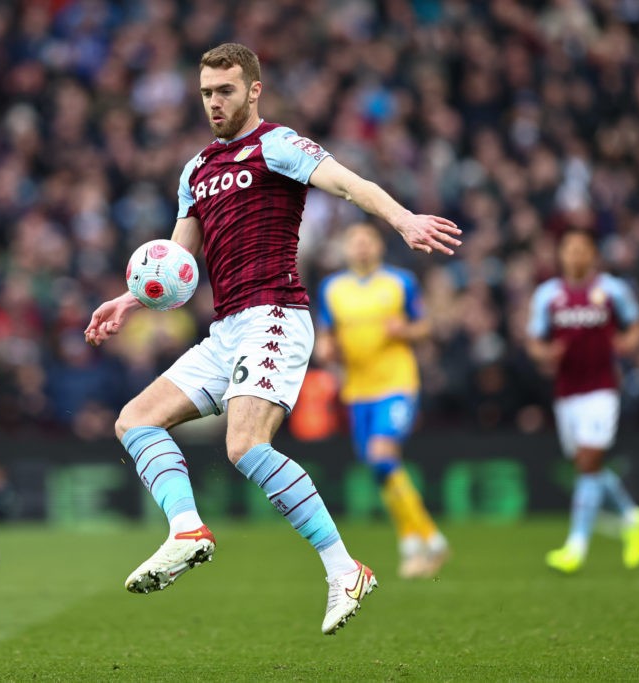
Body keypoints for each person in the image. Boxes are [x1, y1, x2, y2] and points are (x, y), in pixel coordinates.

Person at [85, 43, 460, 635]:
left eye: (226, 90)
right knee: (134, 420)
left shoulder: (279, 145)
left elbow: (347, 182)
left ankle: (344, 568)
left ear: (253, 89)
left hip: (276, 313)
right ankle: (186, 529)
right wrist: (131, 299)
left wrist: (403, 220)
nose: (214, 101)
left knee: (243, 445)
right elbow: (179, 262)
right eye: (207, 92)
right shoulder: (195, 170)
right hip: (227, 327)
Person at [315, 222, 449, 579]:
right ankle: (414, 541)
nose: (360, 247)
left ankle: (429, 540)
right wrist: (327, 350)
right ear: (345, 248)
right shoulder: (333, 289)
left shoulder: (399, 282)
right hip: (357, 391)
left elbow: (424, 326)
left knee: (381, 454)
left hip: (397, 383)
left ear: (378, 246)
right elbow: (326, 338)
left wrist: (404, 330)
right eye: (354, 241)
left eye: (367, 240)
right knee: (380, 468)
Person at [526, 227, 639, 574]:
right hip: (567, 392)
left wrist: (629, 342)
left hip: (602, 388)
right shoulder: (548, 295)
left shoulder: (611, 290)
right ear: (561, 255)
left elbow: (636, 323)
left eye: (583, 249)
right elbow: (534, 340)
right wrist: (545, 353)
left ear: (592, 254)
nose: (576, 255)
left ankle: (576, 546)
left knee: (587, 460)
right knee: (588, 466)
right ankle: (631, 516)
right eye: (570, 249)